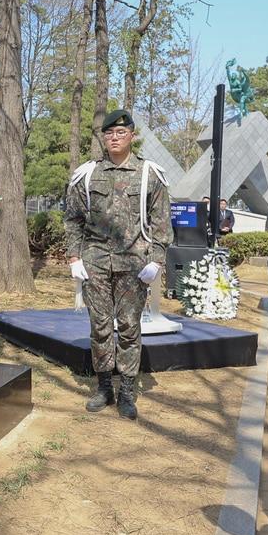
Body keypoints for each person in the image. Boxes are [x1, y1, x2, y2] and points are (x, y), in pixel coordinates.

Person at [64, 110, 171, 420]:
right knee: (99, 328)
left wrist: (157, 260)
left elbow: (161, 221)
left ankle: (126, 390)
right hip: (94, 262)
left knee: (128, 327)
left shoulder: (150, 174)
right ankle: (103, 388)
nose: (113, 138)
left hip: (134, 265)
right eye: (108, 133)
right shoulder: (87, 174)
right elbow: (73, 218)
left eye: (120, 133)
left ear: (131, 136)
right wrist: (74, 257)